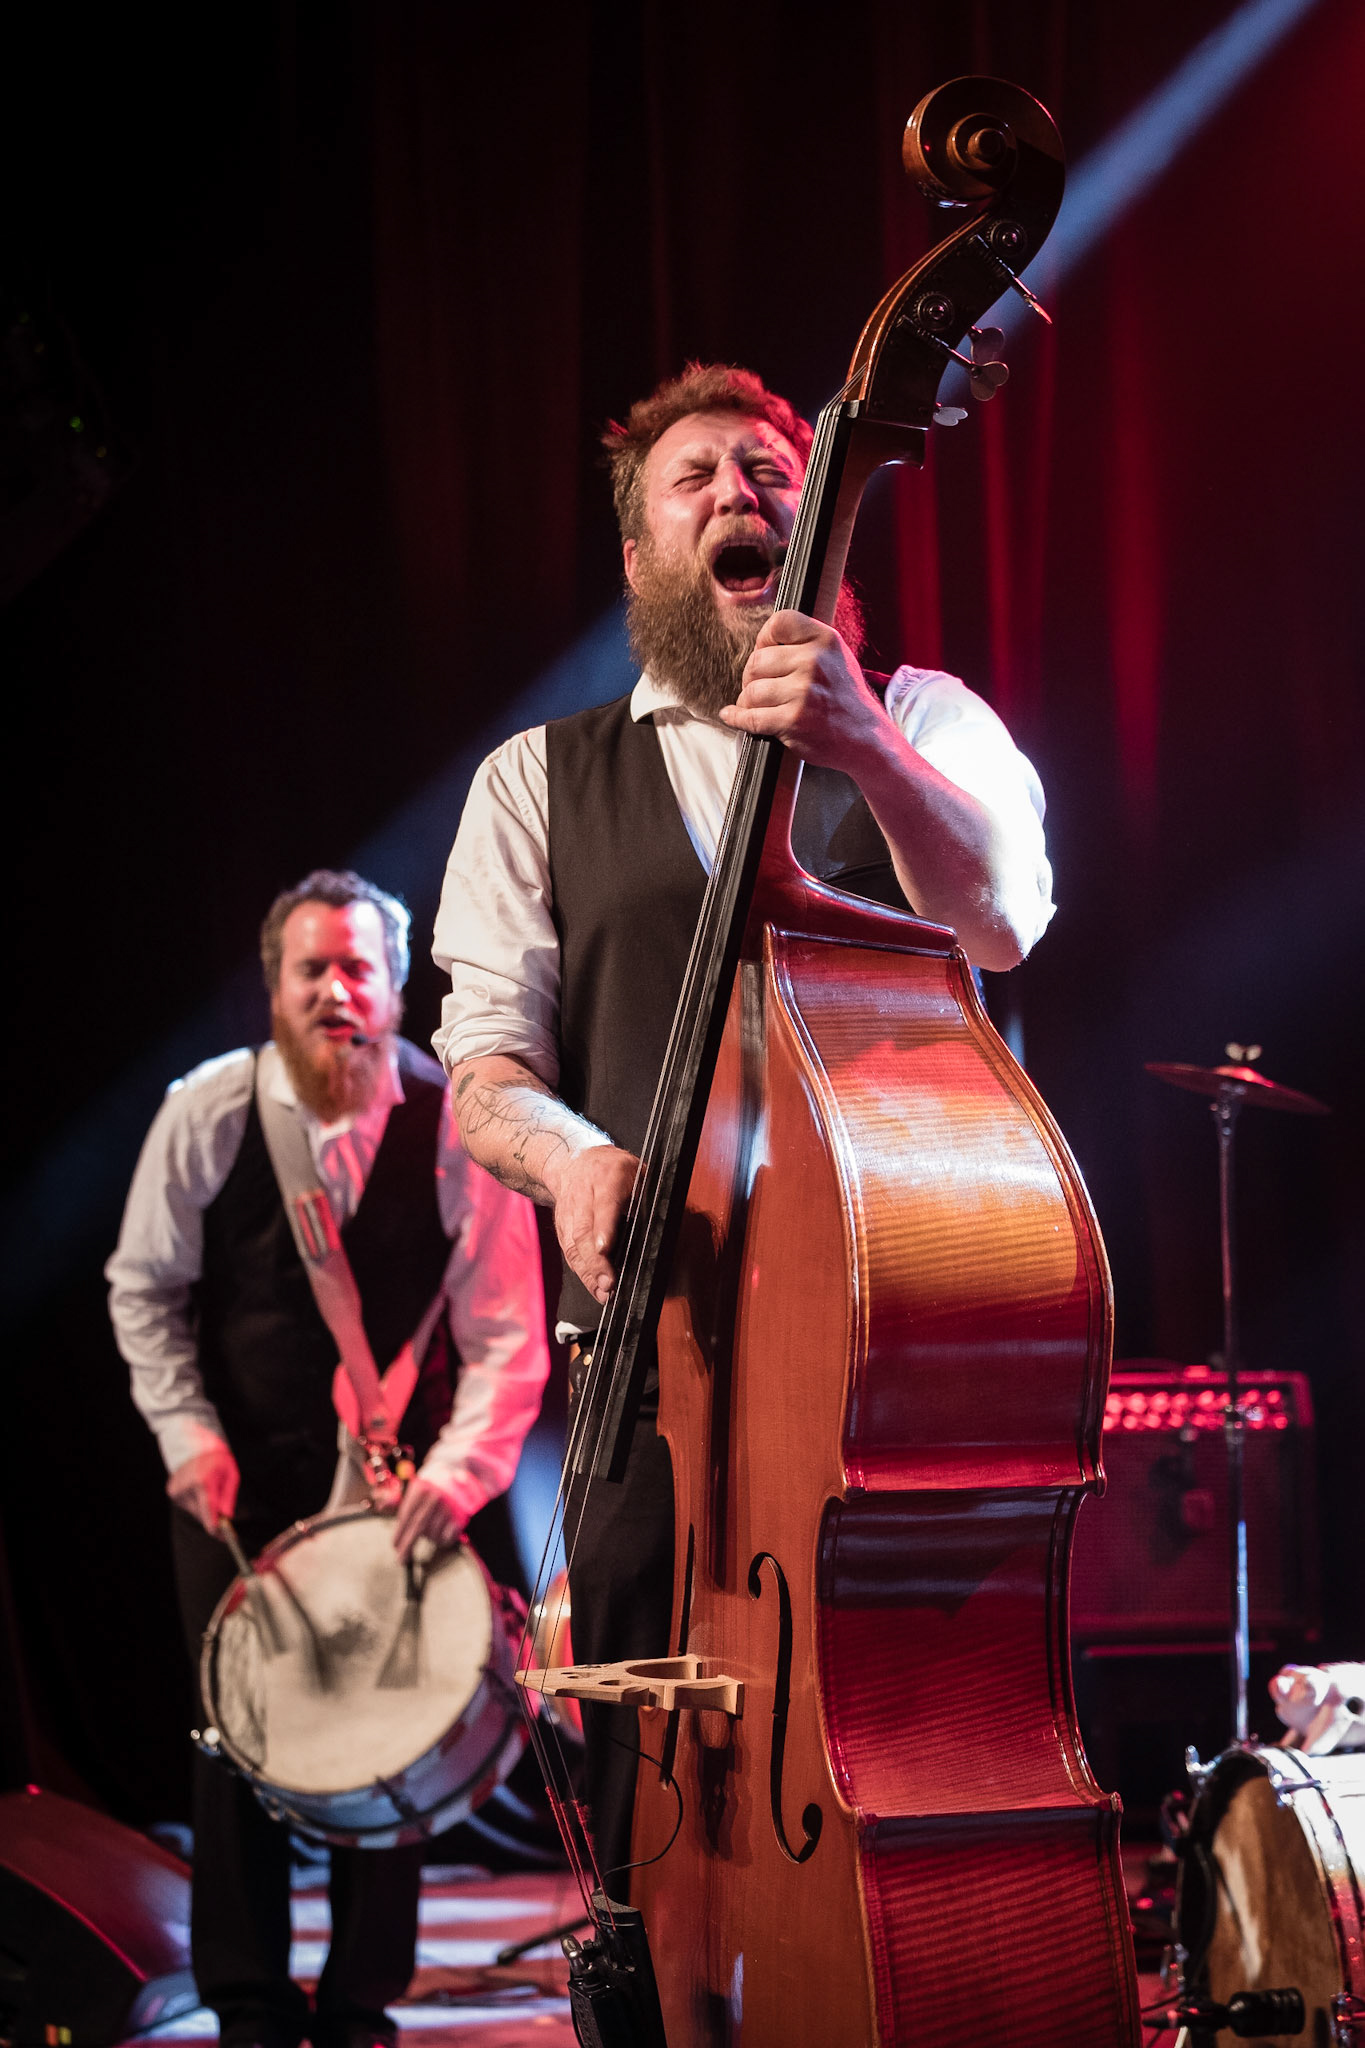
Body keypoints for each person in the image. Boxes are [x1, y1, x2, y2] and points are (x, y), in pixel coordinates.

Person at [430, 361, 1056, 1884]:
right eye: (692, 479)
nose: (739, 493)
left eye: (771, 470)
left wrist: (863, 748)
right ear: (643, 558)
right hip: (666, 1357)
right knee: (663, 1804)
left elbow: (1006, 921)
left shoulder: (925, 718)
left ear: (832, 514)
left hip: (895, 1341)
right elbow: (484, 1066)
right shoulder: (540, 779)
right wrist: (571, 1158)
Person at [107, 868, 550, 2048]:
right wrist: (186, 1433)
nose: (336, 992)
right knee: (234, 1733)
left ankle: (361, 2001)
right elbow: (143, 1290)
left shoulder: (462, 1123)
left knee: (394, 1729)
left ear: (399, 989)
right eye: (313, 968)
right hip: (238, 1483)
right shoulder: (206, 1110)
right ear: (274, 988)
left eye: (360, 968)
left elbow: (507, 1335)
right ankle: (248, 2000)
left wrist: (459, 1478)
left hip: (401, 1479)